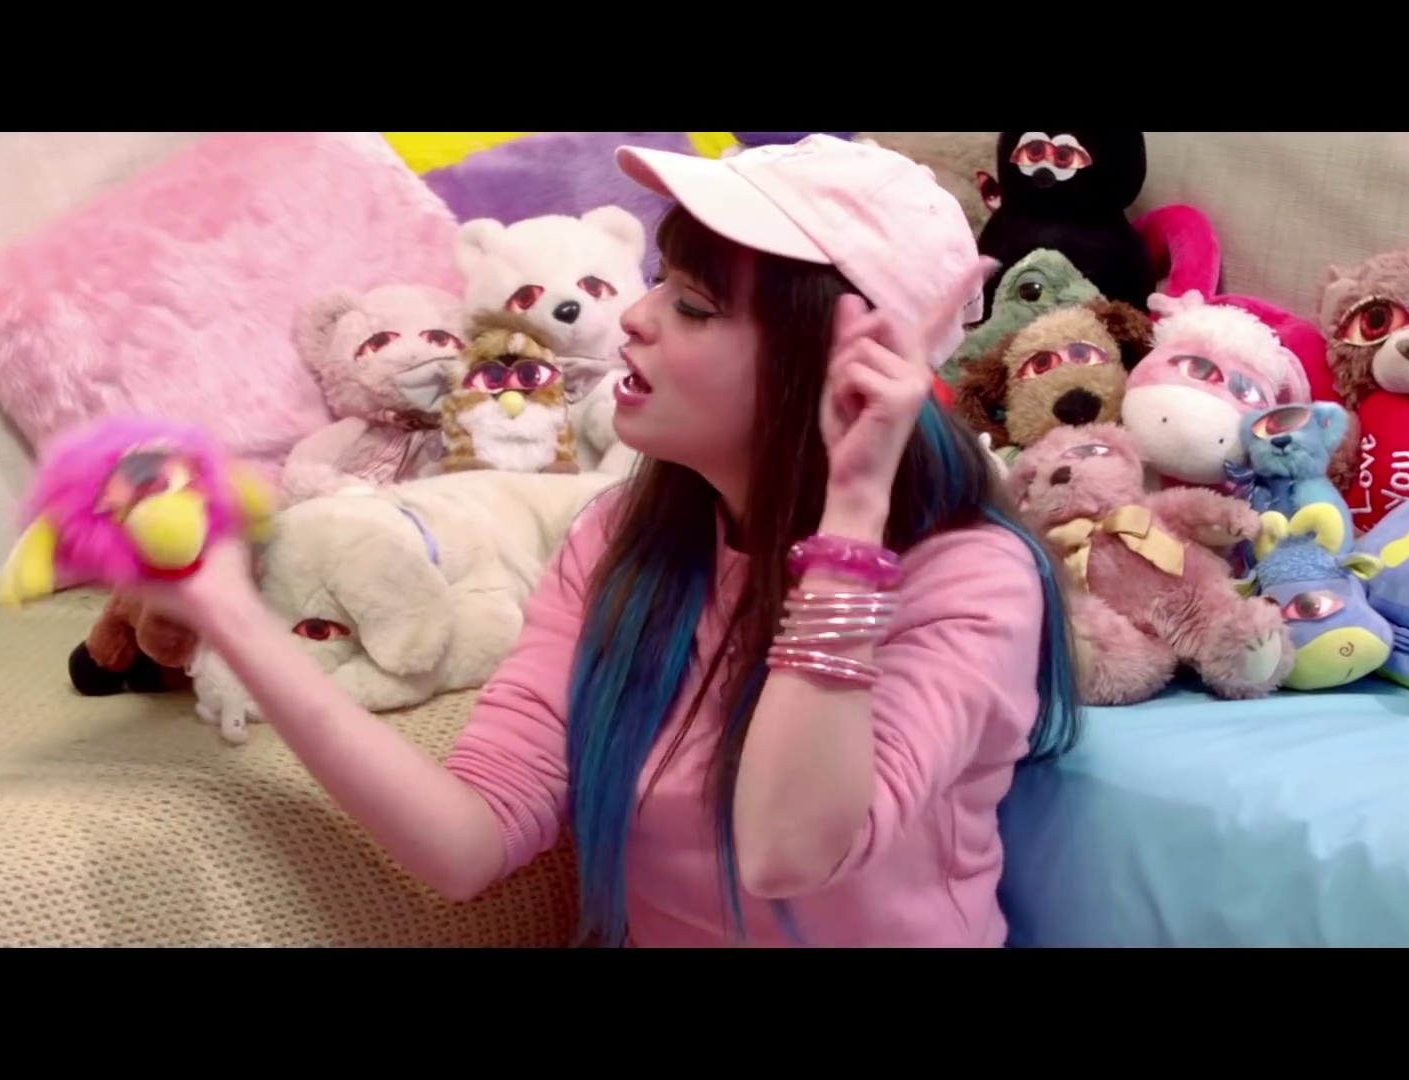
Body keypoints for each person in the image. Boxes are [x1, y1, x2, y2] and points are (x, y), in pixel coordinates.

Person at [144, 134, 1083, 948]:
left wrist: (851, 519)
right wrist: (227, 611)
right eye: (661, 281)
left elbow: (787, 852)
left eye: (695, 305)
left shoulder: (974, 578)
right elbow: (466, 843)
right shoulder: (616, 542)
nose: (635, 314)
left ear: (840, 366)